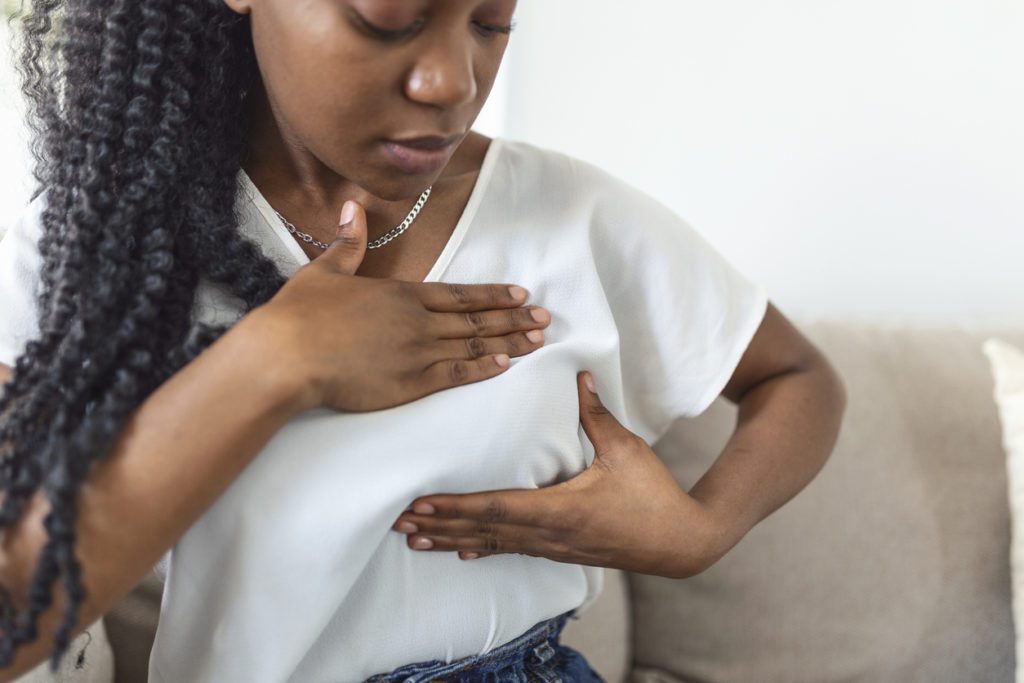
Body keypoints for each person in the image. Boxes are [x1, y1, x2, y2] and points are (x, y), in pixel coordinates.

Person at [0, 0, 847, 681]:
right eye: (388, 20)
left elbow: (798, 375)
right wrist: (277, 360)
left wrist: (703, 530)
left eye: (492, 21)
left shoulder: (572, 215)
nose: (454, 80)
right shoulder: (96, 244)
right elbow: (14, 620)